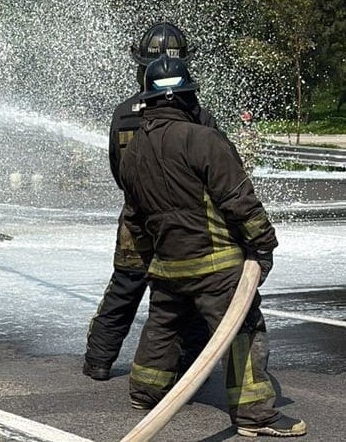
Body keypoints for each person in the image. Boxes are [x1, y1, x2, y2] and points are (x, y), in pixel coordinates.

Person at [119, 55, 306, 437]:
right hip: (216, 264)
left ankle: (146, 390)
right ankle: (255, 414)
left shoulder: (134, 152)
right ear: (185, 97)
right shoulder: (203, 140)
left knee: (164, 326)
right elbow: (238, 199)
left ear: (149, 101)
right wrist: (263, 244)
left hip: (167, 265)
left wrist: (148, 261)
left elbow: (134, 219)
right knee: (242, 329)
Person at [82, 22, 237, 381]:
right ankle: (186, 369)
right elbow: (220, 168)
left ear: (140, 67)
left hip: (137, 217)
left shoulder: (123, 114)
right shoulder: (198, 116)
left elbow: (119, 170)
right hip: (185, 223)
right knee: (187, 293)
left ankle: (98, 361)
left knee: (125, 286)